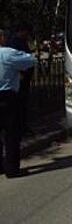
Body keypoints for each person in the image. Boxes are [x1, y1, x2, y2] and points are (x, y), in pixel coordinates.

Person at [0, 28, 36, 178]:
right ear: (2, 38)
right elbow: (31, 60)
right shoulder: (8, 53)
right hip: (6, 97)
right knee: (12, 135)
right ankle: (12, 169)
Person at [6, 22, 33, 134]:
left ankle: (21, 127)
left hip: (23, 78)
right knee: (18, 105)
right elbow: (15, 60)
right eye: (27, 33)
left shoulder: (21, 41)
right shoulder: (14, 42)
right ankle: (19, 128)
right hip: (19, 79)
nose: (28, 35)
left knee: (22, 104)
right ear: (22, 31)